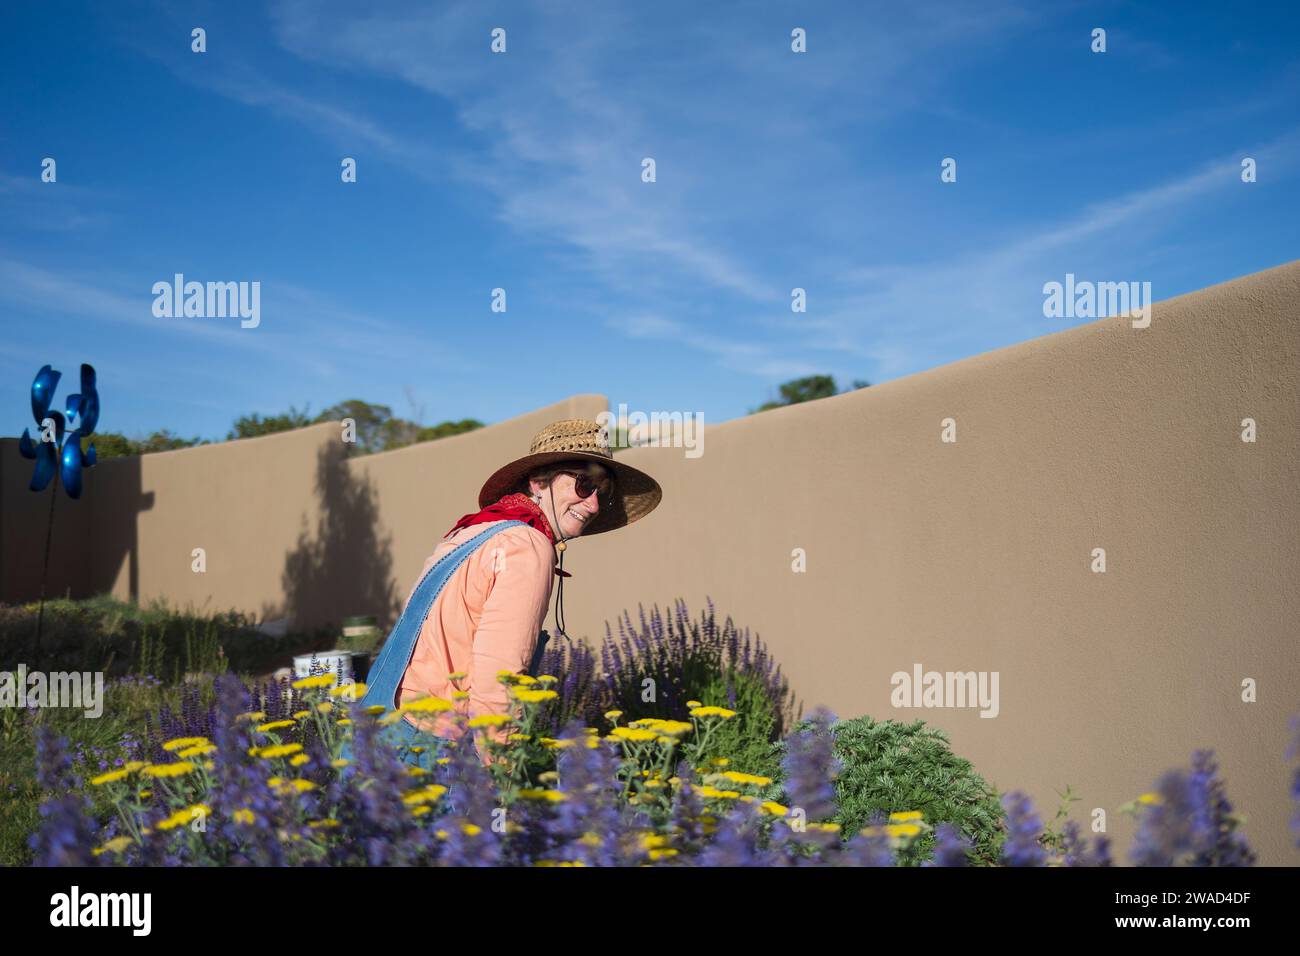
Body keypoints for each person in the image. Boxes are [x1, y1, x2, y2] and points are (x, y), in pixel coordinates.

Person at [348, 418, 662, 775]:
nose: (592, 504)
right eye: (583, 483)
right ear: (539, 482)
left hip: (381, 724)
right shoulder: (528, 547)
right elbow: (500, 675)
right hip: (433, 747)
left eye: (601, 493)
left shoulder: (472, 531)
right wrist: (501, 768)